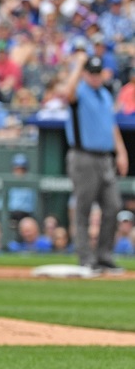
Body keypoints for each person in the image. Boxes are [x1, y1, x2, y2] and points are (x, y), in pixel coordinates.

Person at [56, 53, 129, 274]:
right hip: (83, 156)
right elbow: (66, 93)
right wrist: (77, 66)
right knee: (84, 208)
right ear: (86, 74)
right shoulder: (80, 91)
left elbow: (112, 125)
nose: (96, 77)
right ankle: (85, 258)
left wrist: (121, 151)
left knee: (113, 206)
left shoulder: (105, 95)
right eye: (92, 73)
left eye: (98, 73)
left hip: (105, 157)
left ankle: (104, 256)